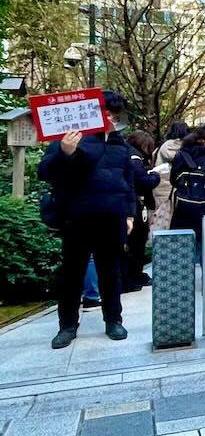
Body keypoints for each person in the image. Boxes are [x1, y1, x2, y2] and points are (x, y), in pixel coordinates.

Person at [39, 91, 140, 349]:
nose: (110, 118)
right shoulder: (70, 138)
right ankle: (67, 326)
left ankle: (113, 320)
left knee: (111, 272)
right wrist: (65, 151)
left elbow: (128, 181)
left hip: (111, 216)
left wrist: (129, 213)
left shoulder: (120, 144)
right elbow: (46, 171)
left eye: (114, 114)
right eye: (105, 112)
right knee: (72, 273)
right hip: (77, 217)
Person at [170, 128, 205, 253]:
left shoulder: (181, 155)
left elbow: (173, 180)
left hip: (183, 207)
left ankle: (184, 269)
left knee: (182, 244)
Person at [124, 131, 161, 292]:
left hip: (129, 203)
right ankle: (133, 276)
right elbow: (143, 181)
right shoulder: (135, 160)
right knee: (136, 242)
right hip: (137, 205)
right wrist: (155, 175)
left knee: (133, 243)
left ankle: (133, 275)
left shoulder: (125, 154)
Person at [149, 122, 188, 237]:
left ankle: (156, 241)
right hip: (172, 185)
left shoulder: (163, 145)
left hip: (160, 184)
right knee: (169, 217)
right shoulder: (181, 147)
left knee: (159, 216)